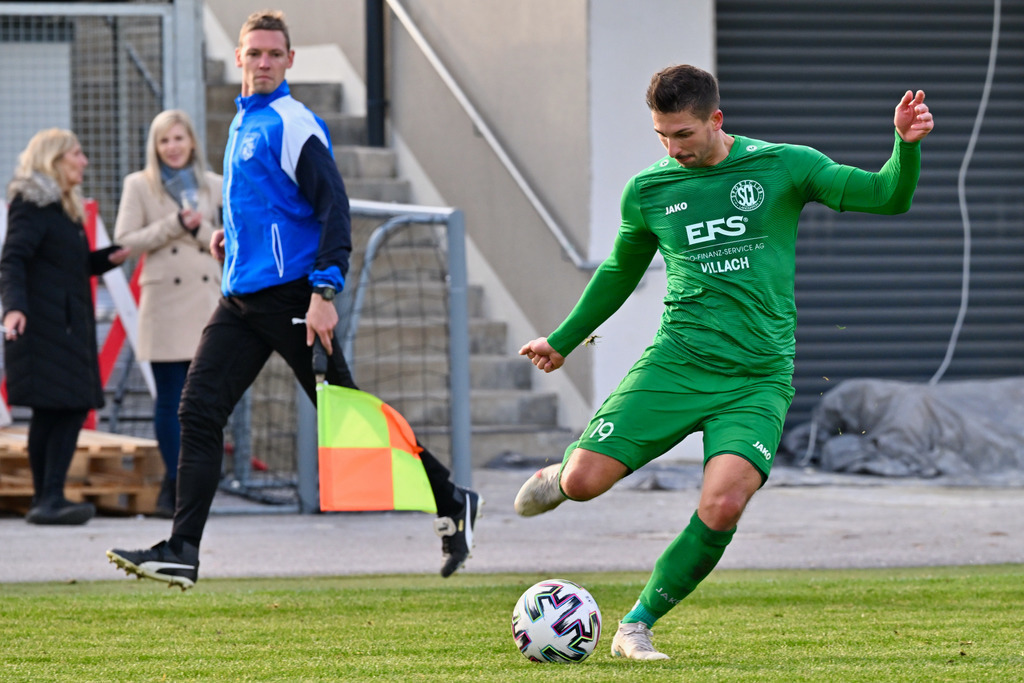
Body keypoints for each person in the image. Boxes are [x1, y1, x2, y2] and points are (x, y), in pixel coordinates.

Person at [515, 64, 934, 660]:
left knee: (723, 502)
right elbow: (617, 272)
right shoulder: (650, 191)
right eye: (661, 134)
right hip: (677, 362)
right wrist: (561, 339)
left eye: (682, 134)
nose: (671, 148)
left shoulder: (785, 166)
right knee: (584, 484)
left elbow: (886, 197)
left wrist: (904, 147)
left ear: (716, 119)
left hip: (758, 377)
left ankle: (637, 625)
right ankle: (560, 476)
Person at [106, 9, 480, 589]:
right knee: (197, 411)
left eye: (272, 54)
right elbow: (268, 202)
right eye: (253, 53)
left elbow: (333, 208)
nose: (261, 62)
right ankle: (182, 548)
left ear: (289, 61)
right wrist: (231, 235)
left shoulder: (291, 121)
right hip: (239, 301)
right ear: (239, 58)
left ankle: (451, 500)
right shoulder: (242, 123)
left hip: (294, 301)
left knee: (349, 413)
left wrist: (325, 290)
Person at [1, 129, 130, 525]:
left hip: (63, 327)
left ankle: (47, 499)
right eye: (77, 154)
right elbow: (13, 260)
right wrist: (14, 309)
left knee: (55, 412)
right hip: (47, 328)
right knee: (65, 409)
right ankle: (50, 498)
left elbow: (67, 267)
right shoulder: (33, 205)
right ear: (55, 159)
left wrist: (107, 258)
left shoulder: (60, 209)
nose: (84, 162)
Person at [113, 110, 223, 518]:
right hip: (163, 302)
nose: (172, 147)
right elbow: (126, 240)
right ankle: (174, 486)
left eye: (179, 138)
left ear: (192, 141)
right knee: (169, 400)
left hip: (204, 301)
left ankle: (201, 482)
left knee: (205, 401)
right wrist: (174, 224)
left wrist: (196, 229)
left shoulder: (215, 184)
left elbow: (227, 237)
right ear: (154, 147)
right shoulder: (139, 185)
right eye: (164, 141)